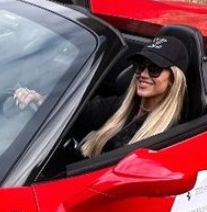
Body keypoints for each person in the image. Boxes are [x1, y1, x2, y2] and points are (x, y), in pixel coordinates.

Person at [13, 33, 188, 157]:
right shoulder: (123, 106)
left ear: (173, 79)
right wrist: (41, 99)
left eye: (154, 70)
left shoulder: (168, 134)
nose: (143, 74)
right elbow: (83, 113)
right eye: (140, 67)